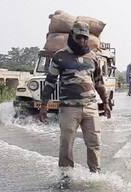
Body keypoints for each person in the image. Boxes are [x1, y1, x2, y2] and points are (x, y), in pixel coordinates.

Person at [39, 21, 111, 174]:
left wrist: (105, 102)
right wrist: (44, 105)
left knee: (94, 143)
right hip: (68, 108)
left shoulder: (93, 57)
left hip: (91, 107)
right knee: (66, 145)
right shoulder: (60, 57)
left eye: (85, 38)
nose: (82, 41)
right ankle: (66, 176)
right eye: (79, 37)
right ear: (72, 36)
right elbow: (50, 82)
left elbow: (99, 82)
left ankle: (95, 175)